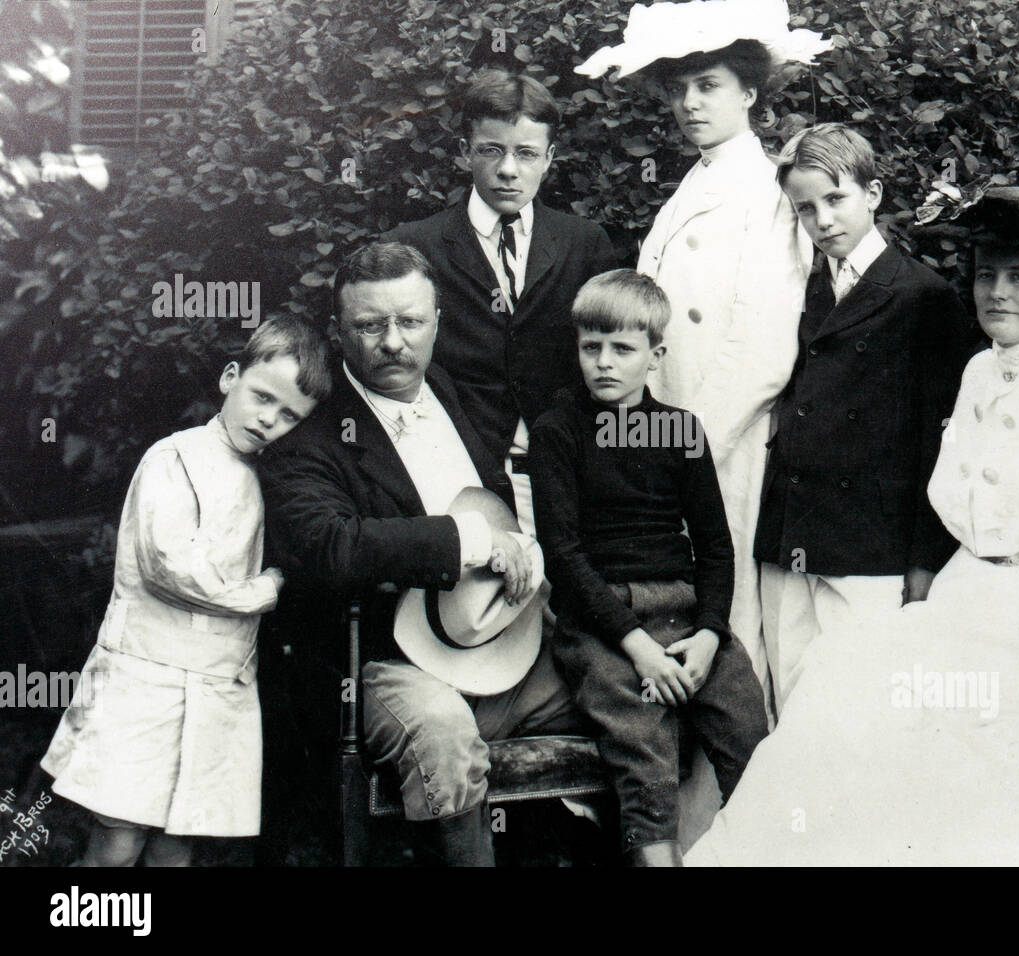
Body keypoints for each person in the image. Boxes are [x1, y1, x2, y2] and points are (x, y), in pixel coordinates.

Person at [685, 185, 1019, 866]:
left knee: (960, 741)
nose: (998, 292)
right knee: (839, 692)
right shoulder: (975, 372)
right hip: (963, 602)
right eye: (986, 276)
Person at [258, 242, 583, 867]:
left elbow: (492, 493)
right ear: (338, 332)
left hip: (498, 641)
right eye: (369, 325)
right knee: (442, 732)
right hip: (383, 663)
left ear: (438, 320)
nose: (392, 342)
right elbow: (335, 546)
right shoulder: (310, 437)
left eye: (410, 321)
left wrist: (524, 549)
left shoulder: (446, 390)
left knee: (627, 693)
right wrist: (475, 542)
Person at [577, 0, 830, 714]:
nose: (690, 103)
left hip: (723, 446)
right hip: (669, 438)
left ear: (750, 91)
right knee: (674, 618)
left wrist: (682, 450)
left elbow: (762, 346)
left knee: (728, 619)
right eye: (680, 86)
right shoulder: (693, 184)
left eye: (708, 85)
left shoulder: (770, 192)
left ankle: (740, 805)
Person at [41, 317, 331, 866]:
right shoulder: (175, 458)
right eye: (262, 397)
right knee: (117, 846)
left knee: (177, 848)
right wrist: (268, 588)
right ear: (230, 378)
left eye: (290, 415)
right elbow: (172, 569)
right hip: (145, 680)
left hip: (217, 686)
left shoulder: (272, 479)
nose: (269, 419)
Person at [530, 269, 769, 866]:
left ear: (655, 355)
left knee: (749, 735)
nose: (604, 363)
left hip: (687, 615)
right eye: (591, 347)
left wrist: (711, 636)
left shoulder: (681, 431)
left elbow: (716, 546)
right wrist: (637, 646)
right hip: (604, 621)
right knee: (645, 754)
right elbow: (564, 557)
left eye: (622, 349)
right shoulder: (558, 431)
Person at [753, 123, 973, 712]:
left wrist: (925, 561)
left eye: (836, 199)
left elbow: (943, 441)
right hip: (791, 535)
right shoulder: (799, 289)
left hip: (871, 546)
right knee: (791, 708)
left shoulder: (922, 296)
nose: (823, 220)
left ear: (872, 194)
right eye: (805, 209)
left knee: (859, 711)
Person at [383, 69, 618, 536]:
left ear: (549, 158)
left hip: (569, 478)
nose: (508, 170)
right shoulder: (415, 246)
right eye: (492, 150)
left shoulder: (584, 243)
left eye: (527, 153)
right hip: (456, 479)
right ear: (464, 152)